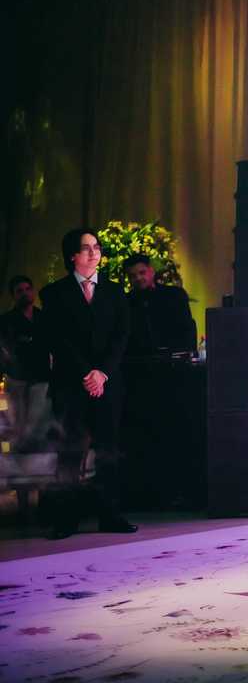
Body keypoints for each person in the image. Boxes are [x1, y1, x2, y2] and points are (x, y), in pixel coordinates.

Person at [40, 228, 136, 539]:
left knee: (109, 450)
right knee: (70, 452)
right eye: (86, 248)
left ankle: (110, 515)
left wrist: (102, 373)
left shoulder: (115, 291)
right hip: (71, 384)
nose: (94, 253)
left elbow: (122, 336)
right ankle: (66, 520)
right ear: (72, 256)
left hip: (107, 384)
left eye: (97, 247)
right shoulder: (53, 293)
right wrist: (86, 373)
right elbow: (59, 339)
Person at [0, 275, 52, 450]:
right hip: (16, 378)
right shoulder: (5, 321)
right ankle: (17, 457)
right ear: (13, 295)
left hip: (41, 377)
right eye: (19, 291)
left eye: (27, 289)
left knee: (37, 422)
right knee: (17, 423)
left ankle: (36, 457)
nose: (24, 293)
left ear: (33, 291)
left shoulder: (44, 318)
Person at [123, 253, 198, 357]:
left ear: (151, 271)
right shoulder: (126, 302)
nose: (138, 278)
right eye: (132, 276)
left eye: (142, 272)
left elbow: (187, 328)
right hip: (140, 360)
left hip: (174, 357)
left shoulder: (174, 295)